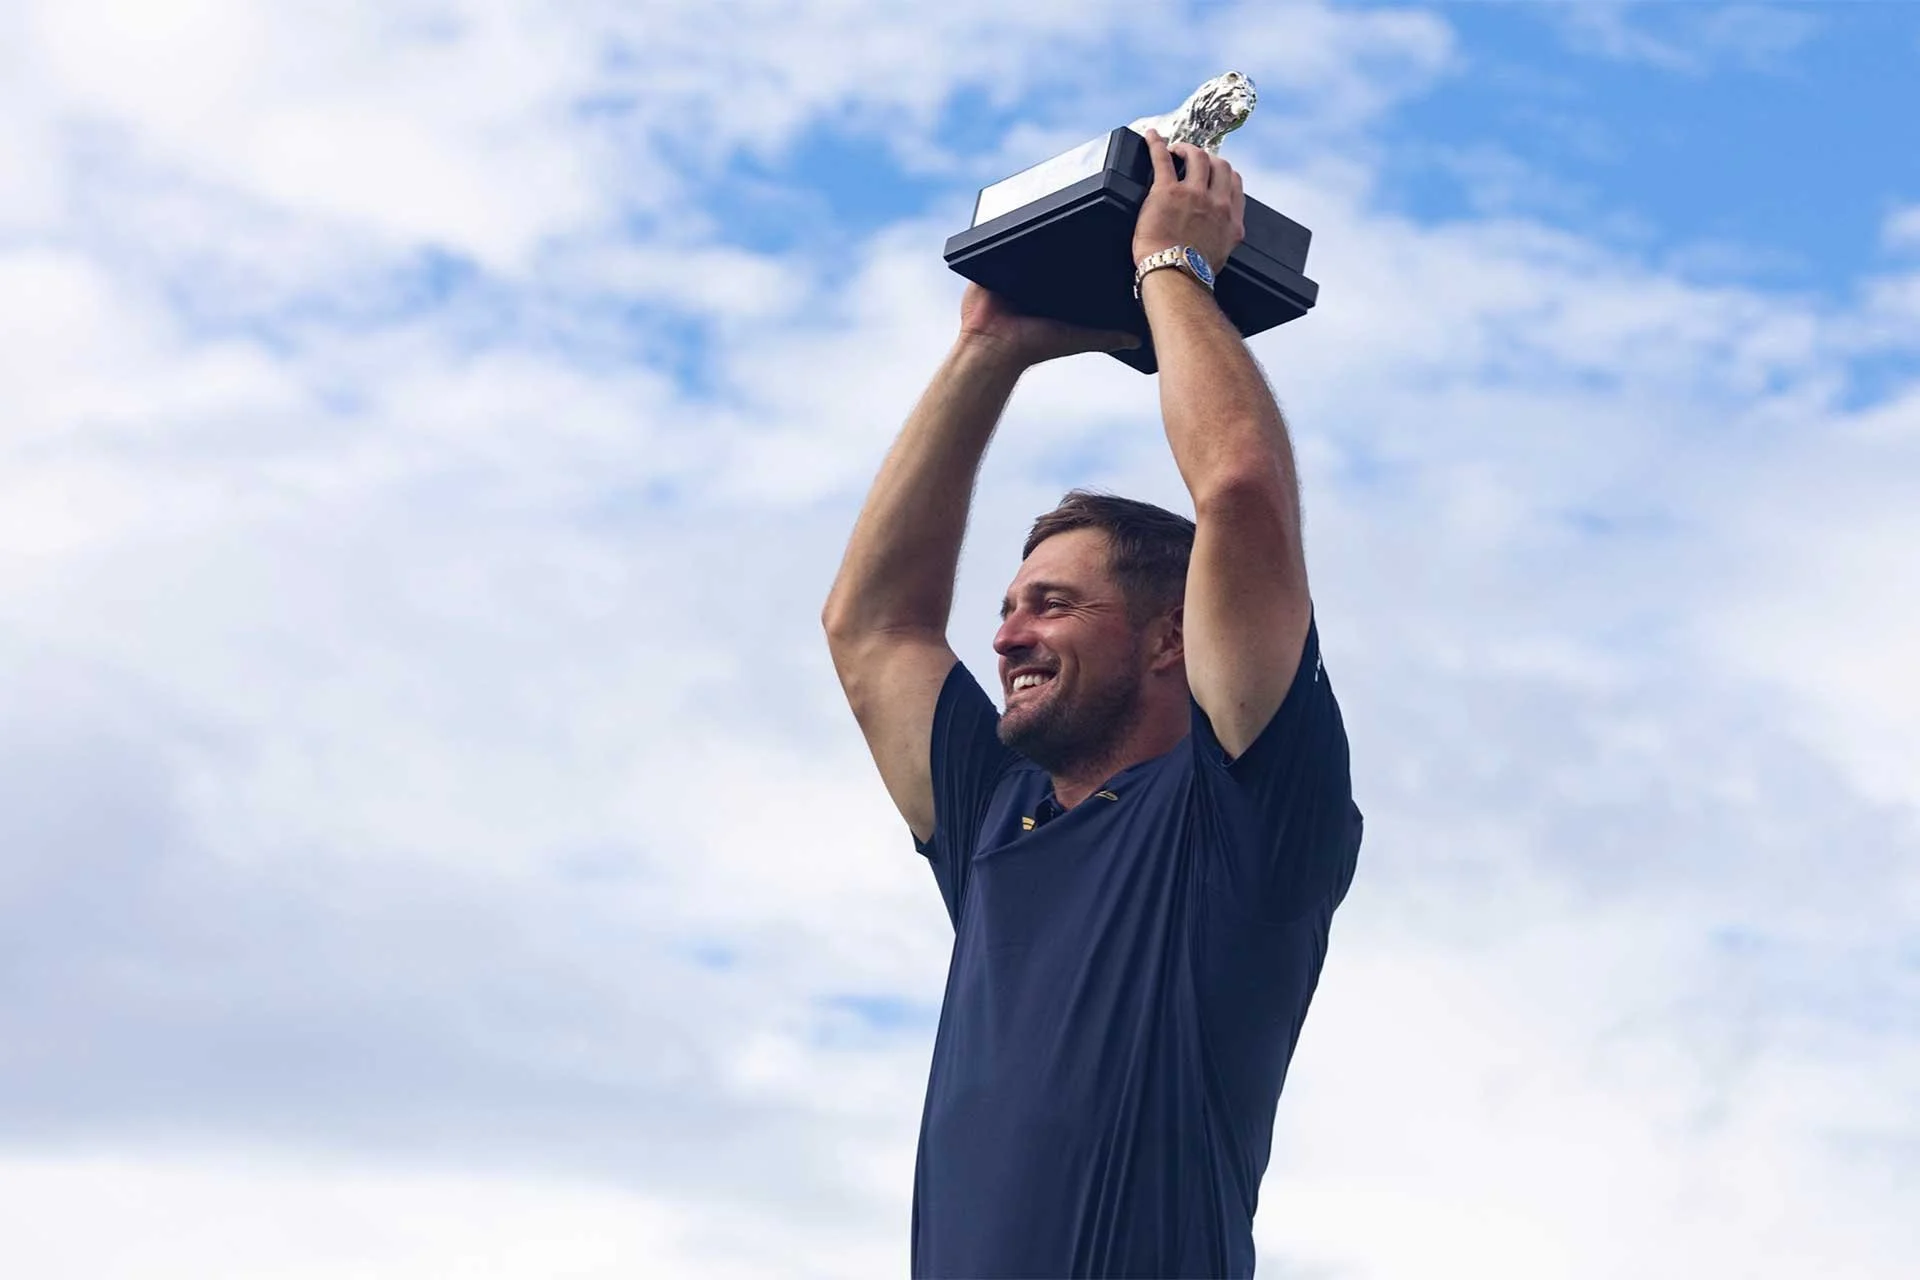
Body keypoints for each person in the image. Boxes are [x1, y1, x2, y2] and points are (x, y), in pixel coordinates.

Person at [821, 129, 1363, 1279]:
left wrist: (1173, 268)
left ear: (1174, 638)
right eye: (1011, 603)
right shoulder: (996, 824)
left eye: (1053, 604)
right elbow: (874, 628)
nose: (1007, 632)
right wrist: (987, 353)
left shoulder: (1244, 817)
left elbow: (1241, 493)